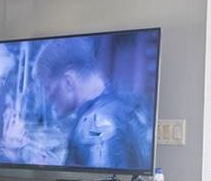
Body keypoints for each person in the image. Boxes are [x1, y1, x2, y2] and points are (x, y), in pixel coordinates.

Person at [32, 38, 152, 170]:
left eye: (47, 87)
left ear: (68, 81)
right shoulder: (123, 106)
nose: (48, 97)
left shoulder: (94, 123)